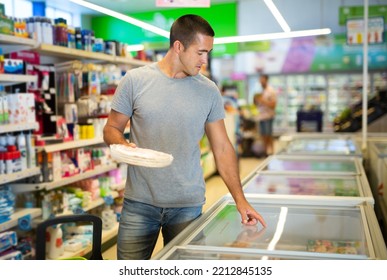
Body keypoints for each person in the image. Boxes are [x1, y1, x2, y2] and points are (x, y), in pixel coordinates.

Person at [103, 14, 266, 260]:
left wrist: (240, 201)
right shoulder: (135, 81)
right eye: (200, 52)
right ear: (178, 46)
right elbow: (111, 129)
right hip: (140, 203)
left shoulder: (208, 90)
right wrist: (124, 146)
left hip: (187, 205)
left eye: (208, 53)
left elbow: (222, 148)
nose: (205, 60)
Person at [253, 74, 277, 156]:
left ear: (266, 80)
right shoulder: (260, 91)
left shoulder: (271, 91)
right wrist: (256, 100)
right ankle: (266, 151)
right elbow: (257, 105)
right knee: (263, 135)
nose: (260, 81)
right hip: (261, 116)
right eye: (260, 79)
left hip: (268, 116)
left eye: (262, 79)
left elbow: (273, 105)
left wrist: (263, 101)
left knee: (268, 134)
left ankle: (272, 151)